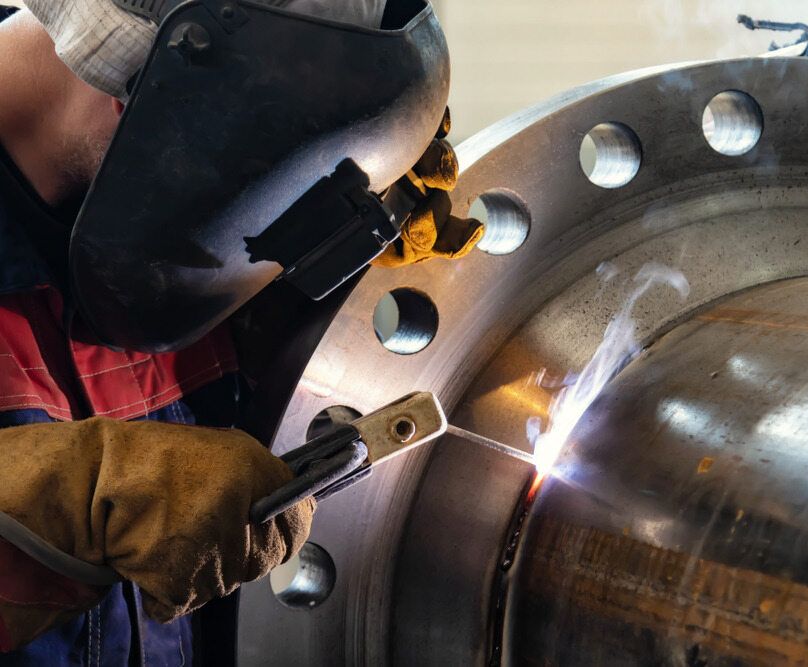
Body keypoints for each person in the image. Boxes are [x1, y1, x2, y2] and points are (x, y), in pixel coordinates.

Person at [0, 1, 481, 664]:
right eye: (258, 161)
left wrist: (310, 298)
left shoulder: (157, 228)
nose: (255, 199)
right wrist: (45, 509)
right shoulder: (168, 190)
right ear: (140, 94)